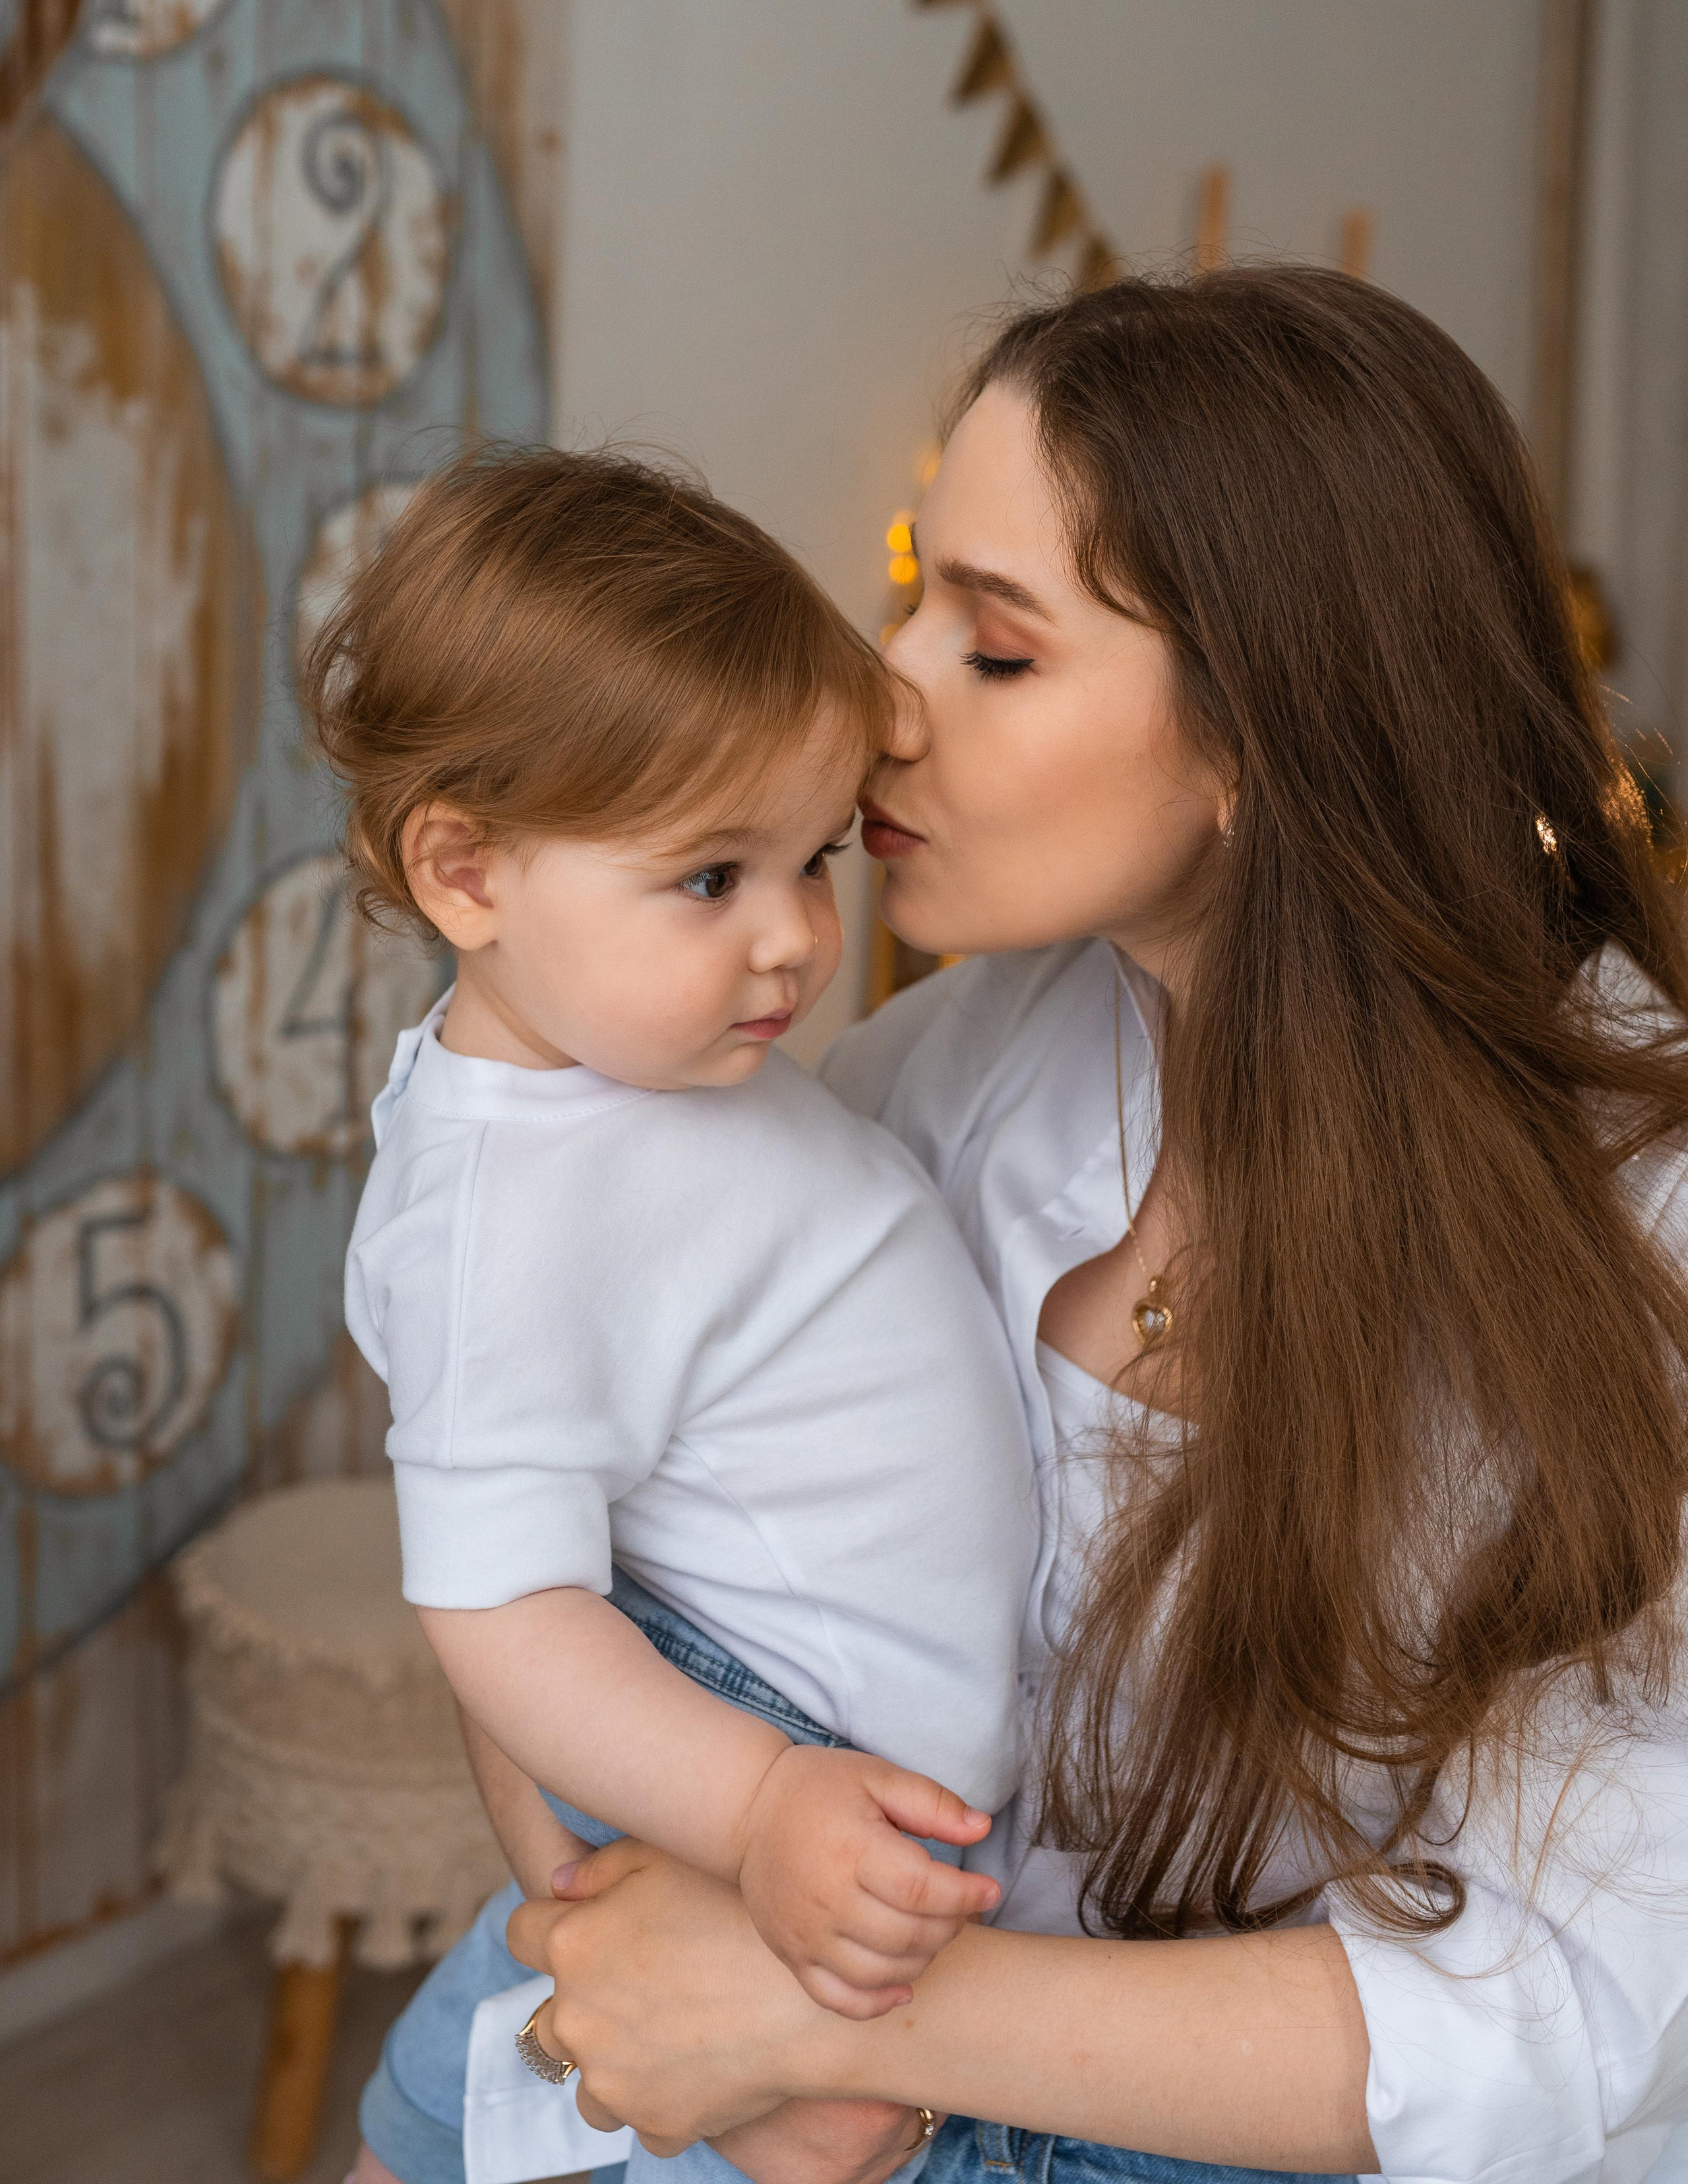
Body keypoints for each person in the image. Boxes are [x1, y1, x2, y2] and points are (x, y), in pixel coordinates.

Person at [505, 268, 1688, 2183]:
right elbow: (569, 1522)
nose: (877, 691)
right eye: (911, 585)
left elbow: (1543, 2014)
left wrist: (806, 2013)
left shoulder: (1637, 1225)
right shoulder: (962, 1059)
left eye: (997, 646)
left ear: (1257, 739)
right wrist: (615, 1936)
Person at [307, 450, 1040, 2184]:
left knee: (519, 2070)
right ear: (468, 874)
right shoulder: (512, 1212)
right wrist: (758, 1801)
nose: (795, 935)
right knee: (617, 2098)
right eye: (713, 877)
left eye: (814, 856)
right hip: (751, 1740)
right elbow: (499, 1609)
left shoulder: (638, 1076)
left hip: (803, 1719)